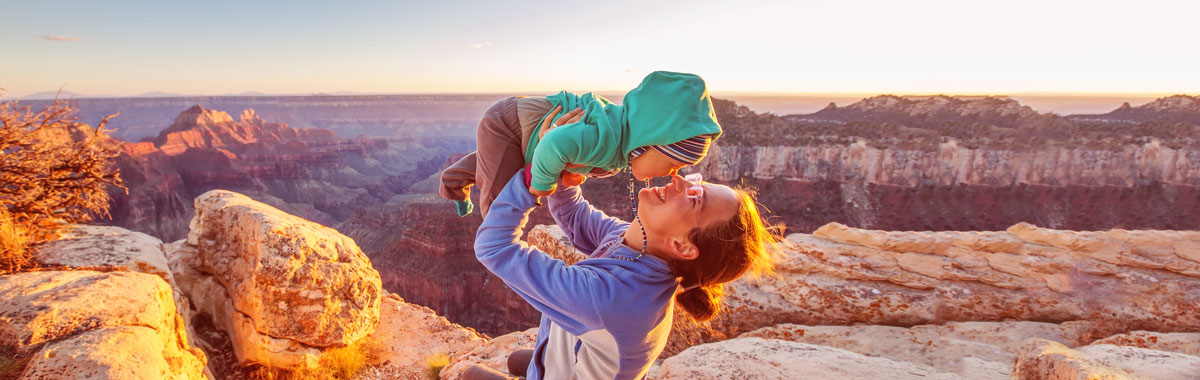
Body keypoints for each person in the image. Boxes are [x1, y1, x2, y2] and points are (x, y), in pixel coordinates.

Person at [464, 166, 783, 380]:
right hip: (576, 356)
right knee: (517, 359)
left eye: (696, 197)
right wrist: (567, 171)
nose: (681, 181)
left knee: (470, 374)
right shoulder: (638, 242)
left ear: (682, 247)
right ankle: (543, 365)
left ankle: (543, 369)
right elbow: (575, 215)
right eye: (698, 181)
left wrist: (531, 180)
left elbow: (495, 248)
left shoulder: (615, 300)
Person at [438, 70, 722, 217]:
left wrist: (576, 171)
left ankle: (451, 183)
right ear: (652, 142)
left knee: (490, 164)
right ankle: (491, 235)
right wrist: (542, 185)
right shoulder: (607, 140)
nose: (674, 173)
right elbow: (554, 147)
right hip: (507, 124)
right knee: (499, 196)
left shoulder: (622, 143)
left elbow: (573, 153)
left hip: (520, 128)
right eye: (675, 162)